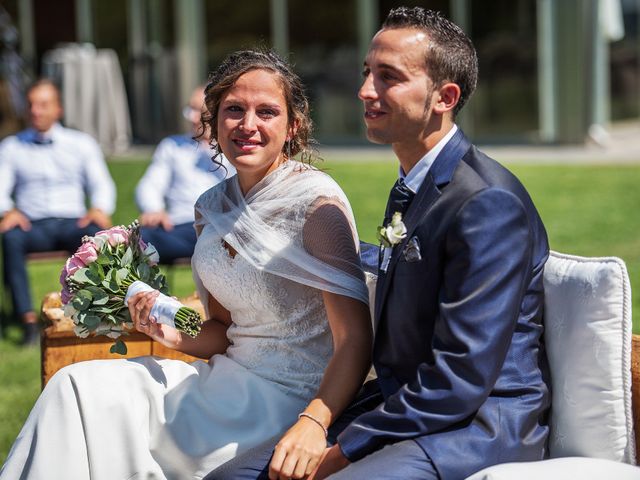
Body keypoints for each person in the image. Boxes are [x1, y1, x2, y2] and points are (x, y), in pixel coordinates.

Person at [208, 7, 550, 480]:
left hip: (475, 426)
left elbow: (461, 379)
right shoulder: (412, 185)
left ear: (444, 97)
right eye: (367, 72)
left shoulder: (488, 204)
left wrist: (340, 451)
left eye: (388, 77)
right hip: (398, 405)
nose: (365, 90)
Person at [0, 50, 373, 480]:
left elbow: (355, 341)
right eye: (234, 110)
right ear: (212, 123)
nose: (248, 125)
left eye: (266, 111)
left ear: (293, 126)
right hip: (223, 380)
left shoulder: (316, 206)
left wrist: (313, 423)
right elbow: (221, 333)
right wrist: (167, 329)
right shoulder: (209, 209)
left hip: (288, 403)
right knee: (74, 387)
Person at [0, 78, 115, 345]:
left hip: (71, 222)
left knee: (94, 236)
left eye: (43, 105)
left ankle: (95, 312)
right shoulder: (11, 147)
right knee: (10, 238)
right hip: (32, 225)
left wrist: (99, 207)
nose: (35, 111)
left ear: (58, 109)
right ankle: (27, 320)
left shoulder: (81, 144)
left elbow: (101, 182)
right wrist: (8, 211)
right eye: (31, 105)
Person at [135, 85, 236, 264]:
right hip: (181, 225)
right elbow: (151, 184)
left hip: (222, 226)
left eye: (202, 111)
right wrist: (153, 209)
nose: (194, 118)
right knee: (139, 238)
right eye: (191, 109)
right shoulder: (172, 146)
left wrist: (216, 144)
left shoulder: (234, 146)